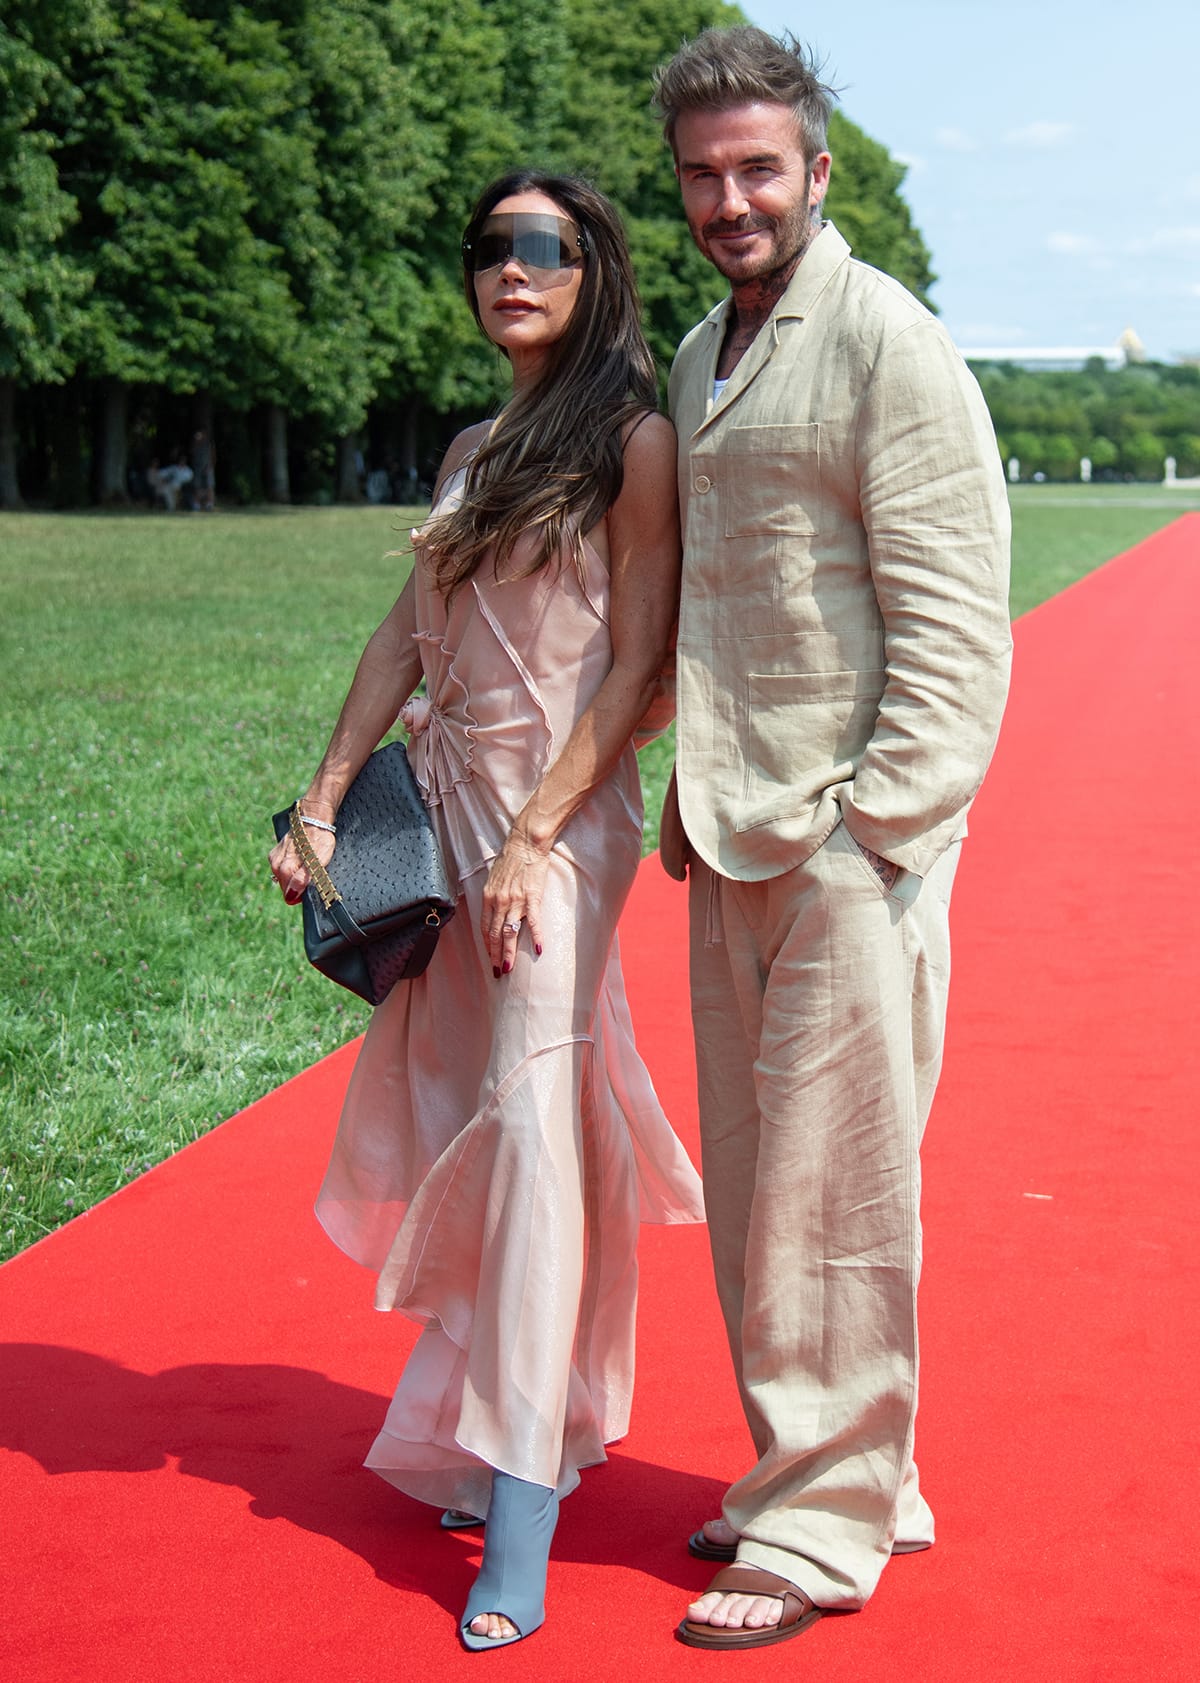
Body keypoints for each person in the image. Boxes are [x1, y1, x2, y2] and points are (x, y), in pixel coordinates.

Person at [268, 171, 703, 1650]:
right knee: (483, 1110)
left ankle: (521, 1505)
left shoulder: (633, 443)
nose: (509, 270)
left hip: (559, 831)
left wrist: (531, 837)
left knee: (526, 1124)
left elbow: (637, 662)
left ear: (594, 270)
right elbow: (407, 632)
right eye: (488, 248)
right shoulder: (472, 448)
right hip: (447, 814)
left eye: (542, 248)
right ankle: (511, 1422)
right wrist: (327, 796)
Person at [651, 28, 1013, 1650]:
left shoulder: (887, 341)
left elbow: (956, 624)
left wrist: (874, 840)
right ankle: (854, 1475)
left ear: (816, 170)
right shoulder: (700, 351)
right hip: (731, 832)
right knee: (757, 1188)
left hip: (847, 847)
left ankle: (818, 1524)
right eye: (702, 175)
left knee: (835, 1196)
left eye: (757, 169)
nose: (730, 200)